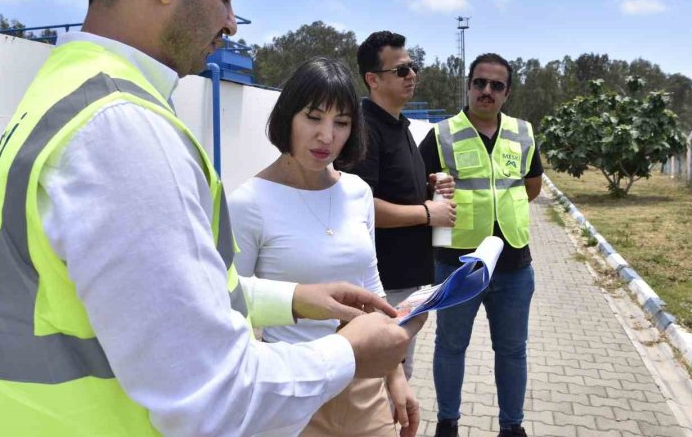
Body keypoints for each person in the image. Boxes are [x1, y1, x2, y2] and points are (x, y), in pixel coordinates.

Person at [0, 0, 417, 437]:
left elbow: (158, 295)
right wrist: (348, 354)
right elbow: (212, 397)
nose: (229, 22)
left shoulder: (60, 95)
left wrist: (293, 300)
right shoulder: (123, 130)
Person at [231, 57, 421, 437]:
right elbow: (232, 307)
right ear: (287, 117)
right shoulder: (248, 202)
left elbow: (371, 287)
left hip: (364, 387)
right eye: (313, 117)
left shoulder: (358, 192)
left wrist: (395, 373)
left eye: (342, 122)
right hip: (291, 392)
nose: (327, 136)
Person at [418, 53, 543, 437]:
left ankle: (511, 427)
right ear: (469, 85)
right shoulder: (441, 134)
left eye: (496, 85)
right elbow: (419, 188)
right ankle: (448, 423)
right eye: (479, 83)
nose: (486, 91)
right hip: (458, 265)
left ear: (507, 93)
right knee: (450, 347)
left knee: (512, 350)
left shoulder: (522, 133)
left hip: (514, 263)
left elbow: (532, 184)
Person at [340, 31, 456, 379]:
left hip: (408, 278)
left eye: (412, 67)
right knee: (381, 383)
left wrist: (430, 186)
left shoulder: (399, 125)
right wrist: (426, 213)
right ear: (373, 79)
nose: (412, 75)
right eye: (401, 70)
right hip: (382, 284)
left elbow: (395, 189)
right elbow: (360, 205)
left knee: (399, 376)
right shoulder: (364, 130)